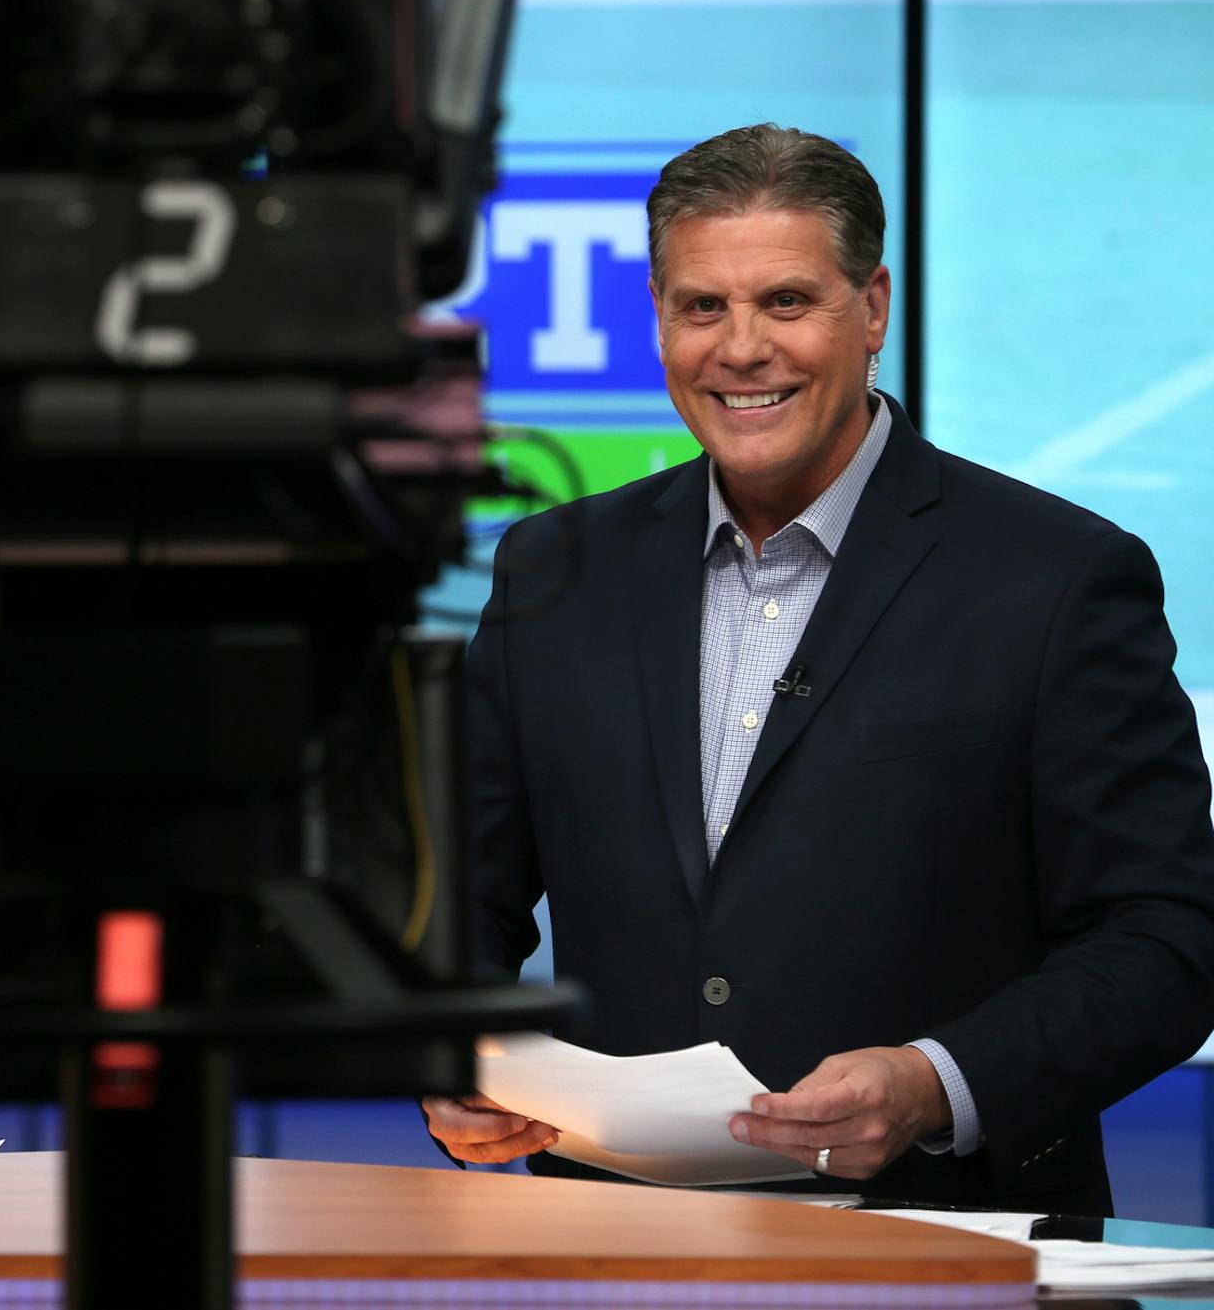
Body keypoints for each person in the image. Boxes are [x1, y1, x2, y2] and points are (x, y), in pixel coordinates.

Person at [425, 124, 1214, 1214]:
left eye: (787, 302)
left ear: (874, 308)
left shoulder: (1060, 579)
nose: (741, 348)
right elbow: (454, 898)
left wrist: (938, 1081)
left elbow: (1166, 939)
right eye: (703, 306)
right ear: (659, 317)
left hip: (948, 1243)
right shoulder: (554, 570)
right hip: (611, 1242)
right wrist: (448, 1053)